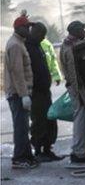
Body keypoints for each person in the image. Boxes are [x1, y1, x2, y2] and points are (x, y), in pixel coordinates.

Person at [26, 23, 61, 161]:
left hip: (45, 90)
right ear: (34, 33)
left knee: (50, 119)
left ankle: (47, 149)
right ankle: (38, 151)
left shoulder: (38, 45)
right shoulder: (28, 47)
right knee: (39, 120)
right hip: (36, 92)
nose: (42, 37)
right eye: (40, 34)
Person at [59, 20, 85, 164]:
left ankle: (78, 150)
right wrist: (80, 93)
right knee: (81, 119)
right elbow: (73, 74)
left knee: (82, 118)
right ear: (77, 31)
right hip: (76, 88)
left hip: (74, 88)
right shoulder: (71, 48)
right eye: (83, 29)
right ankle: (79, 153)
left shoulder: (68, 44)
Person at [5, 13, 36, 169]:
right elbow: (17, 72)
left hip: (19, 93)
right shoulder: (16, 45)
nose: (29, 30)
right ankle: (18, 158)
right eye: (27, 27)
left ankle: (27, 156)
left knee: (23, 126)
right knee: (20, 127)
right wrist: (24, 95)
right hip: (18, 94)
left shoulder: (19, 42)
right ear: (19, 28)